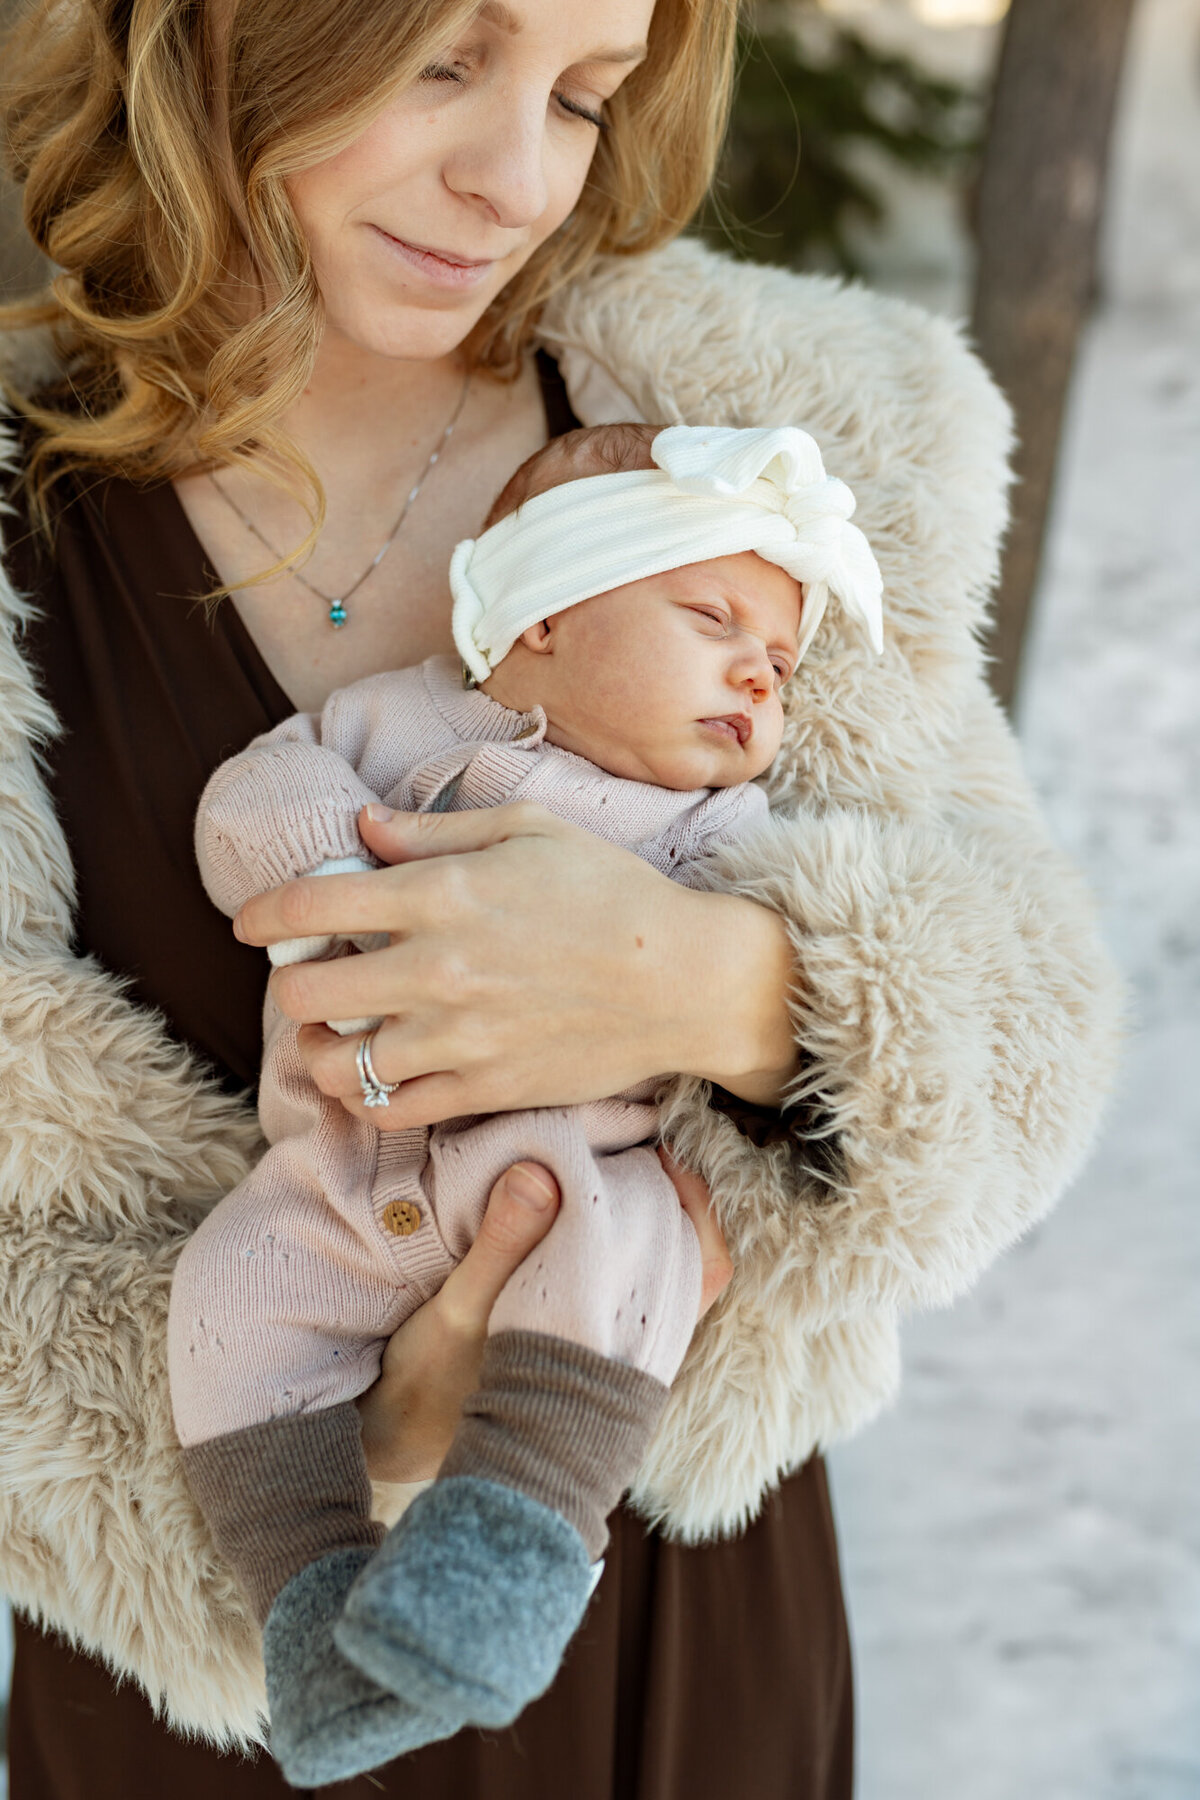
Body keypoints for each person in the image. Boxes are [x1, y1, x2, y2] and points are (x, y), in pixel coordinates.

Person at [0, 0, 1121, 1794]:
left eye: (586, 94)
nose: (516, 178)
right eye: (444, 59)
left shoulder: (739, 435)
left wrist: (718, 986)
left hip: (674, 1635)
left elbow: (1039, 1029)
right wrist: (365, 1428)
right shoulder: (21, 524)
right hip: (218, 1678)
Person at [171, 416, 884, 1785]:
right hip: (328, 1188)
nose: (757, 671)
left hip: (565, 1176)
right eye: (709, 615)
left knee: (636, 1256)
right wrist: (332, 894)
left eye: (780, 663)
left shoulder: (718, 833)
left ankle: (509, 1547)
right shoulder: (396, 722)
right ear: (545, 615)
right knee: (225, 1301)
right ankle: (309, 1608)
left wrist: (709, 978)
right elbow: (253, 797)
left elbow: (850, 988)